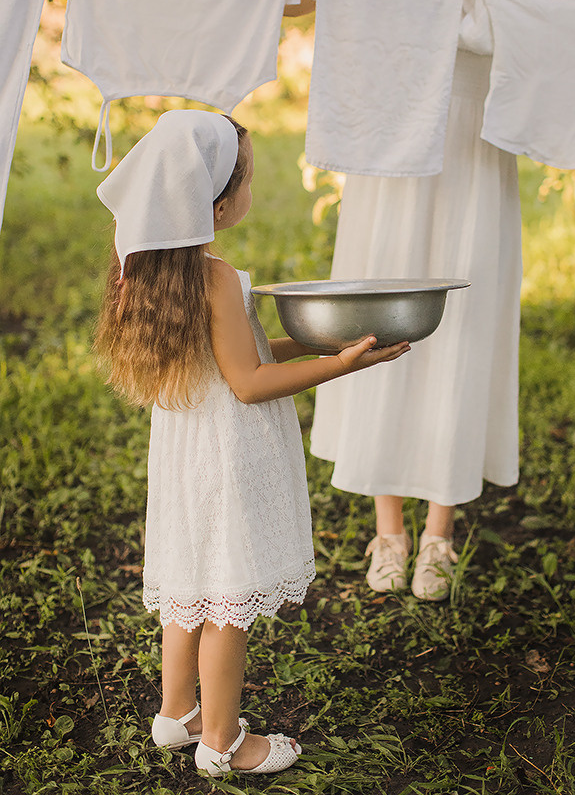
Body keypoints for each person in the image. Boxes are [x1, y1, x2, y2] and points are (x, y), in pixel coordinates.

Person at [285, 0, 575, 601]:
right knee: (388, 324)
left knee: (463, 327)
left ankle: (438, 536)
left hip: (477, 166)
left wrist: (562, 0)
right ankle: (388, 532)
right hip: (395, 164)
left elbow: (555, 77)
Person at [94, 110, 409, 777]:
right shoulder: (216, 277)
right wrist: (342, 367)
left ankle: (176, 714)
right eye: (247, 181)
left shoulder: (147, 267)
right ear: (214, 199)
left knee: (188, 589)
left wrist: (326, 344)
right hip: (227, 459)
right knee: (228, 603)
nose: (250, 194)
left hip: (183, 458)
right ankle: (223, 742)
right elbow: (249, 381)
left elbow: (245, 353)